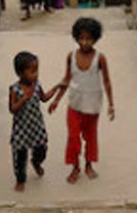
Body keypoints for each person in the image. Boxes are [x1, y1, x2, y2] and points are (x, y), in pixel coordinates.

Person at [47, 17, 114, 184]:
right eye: (81, 38)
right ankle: (75, 166)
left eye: (88, 39)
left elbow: (106, 81)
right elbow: (66, 79)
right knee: (73, 138)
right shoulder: (71, 56)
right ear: (76, 37)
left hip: (92, 106)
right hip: (74, 104)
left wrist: (111, 104)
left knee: (91, 137)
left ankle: (89, 165)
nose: (84, 42)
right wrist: (56, 100)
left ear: (95, 39)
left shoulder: (100, 58)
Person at [8, 51, 60, 192]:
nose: (35, 74)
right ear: (20, 73)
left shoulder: (36, 85)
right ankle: (20, 179)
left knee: (42, 149)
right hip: (21, 128)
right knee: (20, 156)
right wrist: (24, 98)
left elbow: (43, 97)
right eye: (31, 71)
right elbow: (12, 109)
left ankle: (36, 162)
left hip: (36, 125)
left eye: (36, 70)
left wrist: (55, 88)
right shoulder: (14, 89)